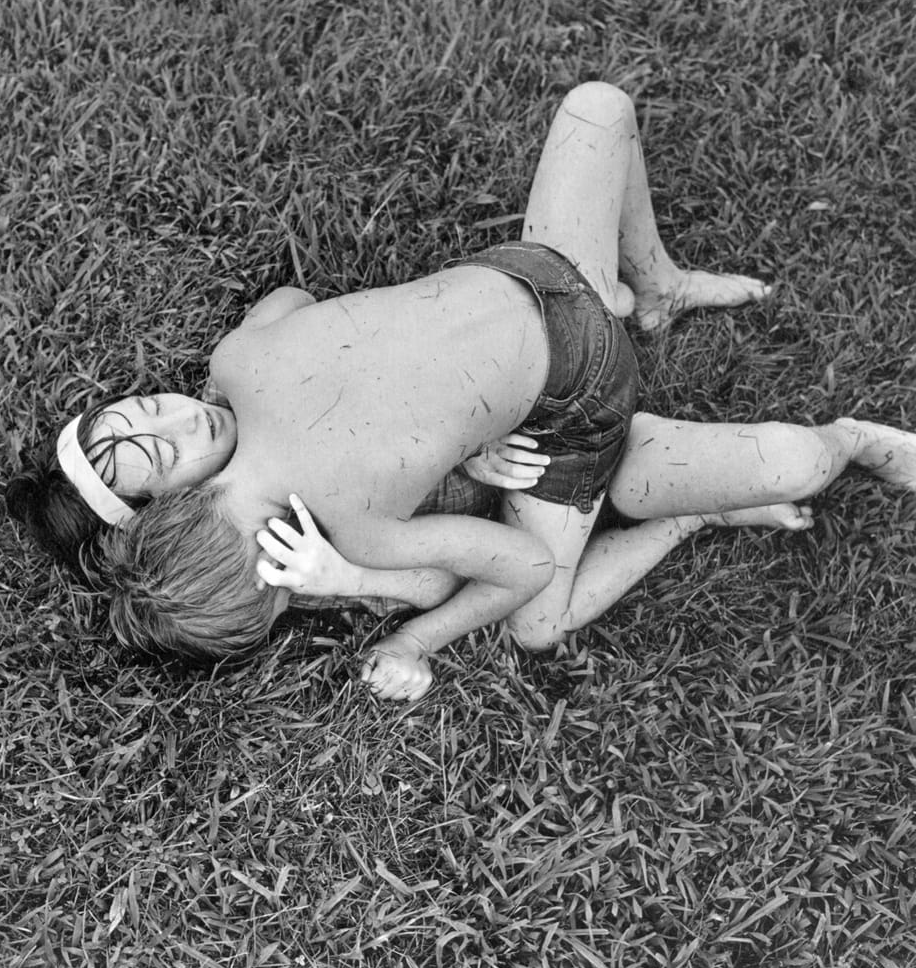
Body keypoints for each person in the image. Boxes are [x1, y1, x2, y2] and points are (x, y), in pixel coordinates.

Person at [93, 82, 916, 700]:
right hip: (538, 269)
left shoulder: (358, 529)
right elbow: (290, 307)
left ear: (277, 584)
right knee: (598, 105)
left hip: (582, 396)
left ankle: (818, 452)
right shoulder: (238, 361)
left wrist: (412, 637)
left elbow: (518, 567)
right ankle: (655, 288)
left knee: (536, 622)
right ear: (184, 499)